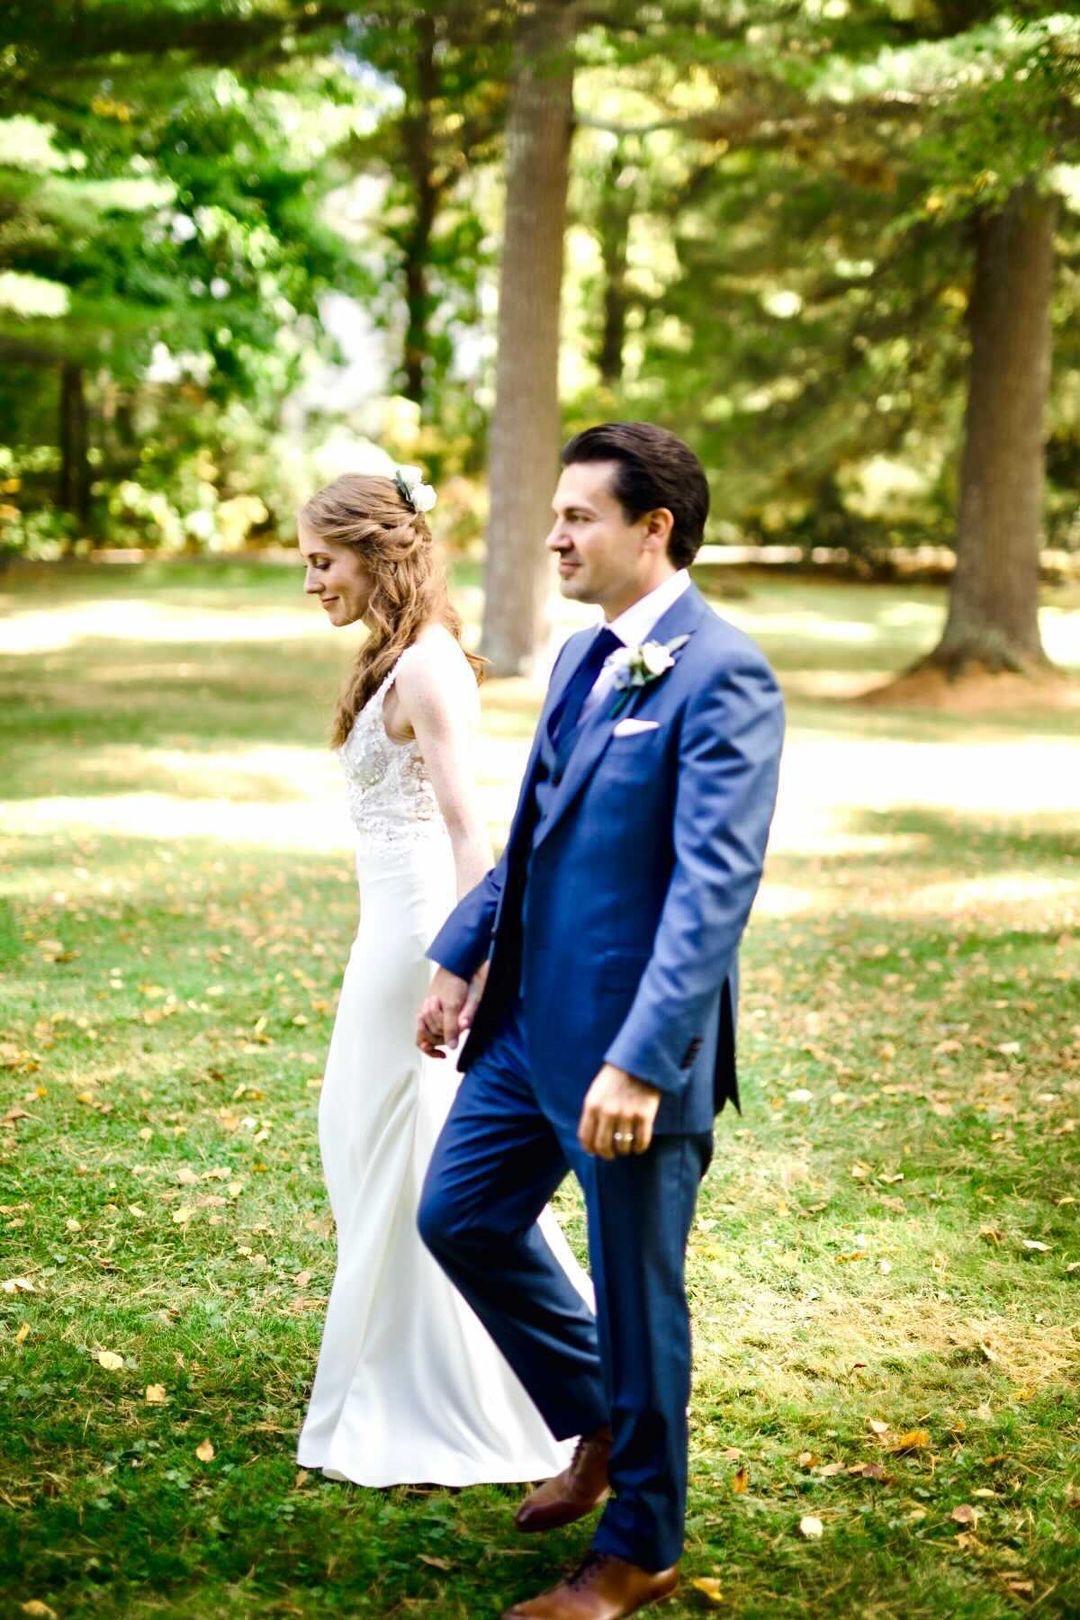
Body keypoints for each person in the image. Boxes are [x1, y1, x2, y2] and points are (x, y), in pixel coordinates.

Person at [416, 424, 785, 1619]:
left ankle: (639, 1549)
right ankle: (604, 1420)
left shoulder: (725, 674)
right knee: (459, 1216)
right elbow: (532, 832)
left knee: (638, 1298)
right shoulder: (584, 656)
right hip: (525, 1028)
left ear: (653, 528)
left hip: (630, 1057)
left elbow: (713, 890)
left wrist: (640, 1061)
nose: (556, 536)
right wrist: (462, 955)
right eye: (557, 515)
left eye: (579, 516)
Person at [295, 466, 587, 1488]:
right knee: (361, 1131)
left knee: (411, 1147)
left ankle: (444, 1382)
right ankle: (403, 1353)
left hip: (421, 936)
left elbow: (475, 835)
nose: (311, 583)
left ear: (378, 553)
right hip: (384, 931)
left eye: (323, 562)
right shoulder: (393, 657)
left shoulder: (429, 668)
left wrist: (466, 964)